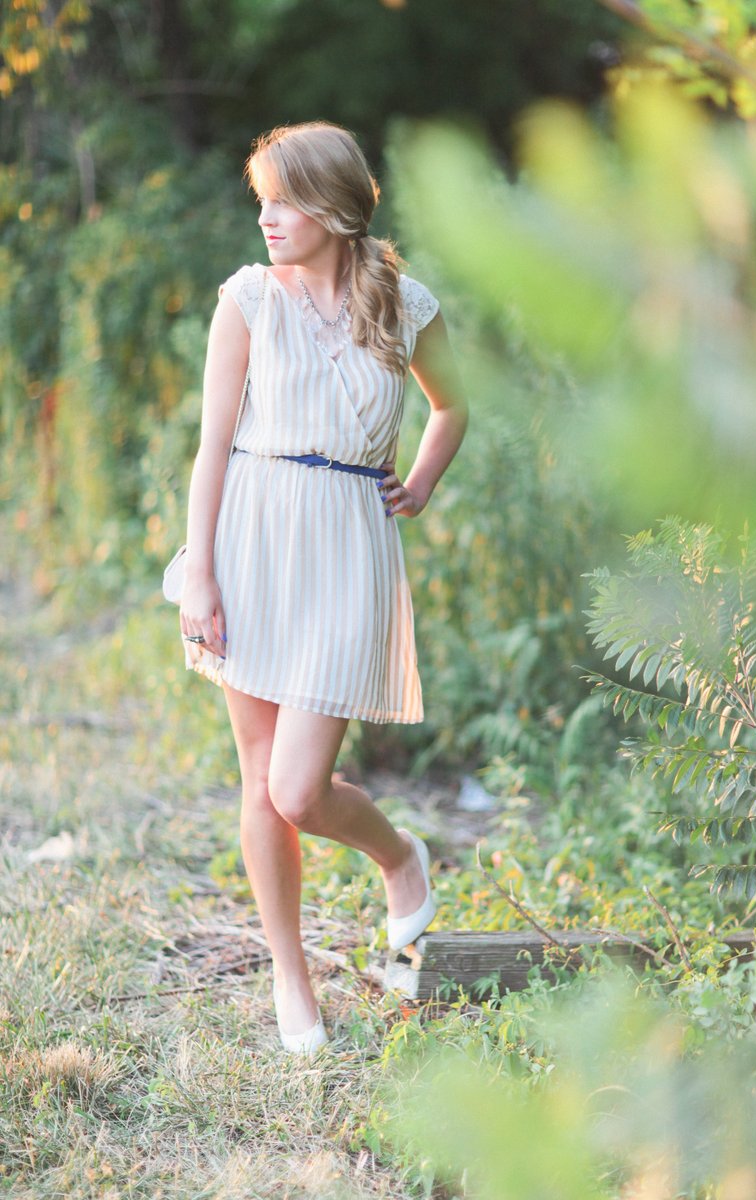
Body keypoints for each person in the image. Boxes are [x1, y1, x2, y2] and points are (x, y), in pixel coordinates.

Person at [178, 121, 467, 1055]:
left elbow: (452, 405)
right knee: (260, 782)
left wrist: (419, 483)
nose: (267, 219)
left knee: (299, 790)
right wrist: (201, 572)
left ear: (336, 208)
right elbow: (212, 446)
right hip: (252, 541)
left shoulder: (404, 303)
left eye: (286, 202)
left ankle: (400, 856)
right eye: (261, 200)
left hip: (349, 547)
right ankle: (289, 974)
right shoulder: (247, 300)